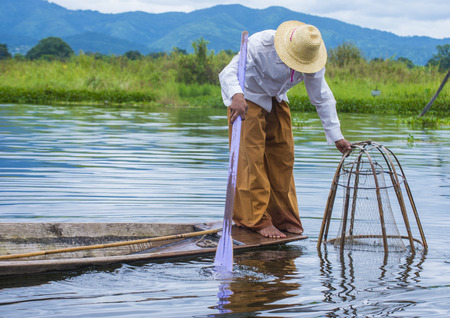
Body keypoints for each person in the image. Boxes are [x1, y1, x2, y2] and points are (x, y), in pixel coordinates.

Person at [219, 20, 352, 239]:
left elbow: (322, 97)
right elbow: (228, 72)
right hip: (247, 97)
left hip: (277, 98)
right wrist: (237, 95)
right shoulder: (259, 45)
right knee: (250, 159)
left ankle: (282, 217)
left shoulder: (311, 56)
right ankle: (256, 219)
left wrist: (337, 136)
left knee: (283, 158)